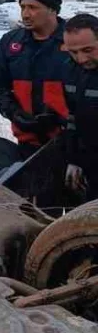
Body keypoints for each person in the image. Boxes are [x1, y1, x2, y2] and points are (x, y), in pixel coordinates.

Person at [0, 0, 71, 164]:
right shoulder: (11, 43)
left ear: (52, 10)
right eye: (23, 7)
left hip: (71, 145)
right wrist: (13, 112)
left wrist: (62, 119)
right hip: (26, 145)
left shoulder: (75, 42)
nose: (25, 14)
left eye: (33, 7)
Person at [61, 13, 98, 203]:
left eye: (88, 50)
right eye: (73, 52)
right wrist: (75, 159)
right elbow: (74, 118)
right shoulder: (71, 71)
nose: (81, 59)